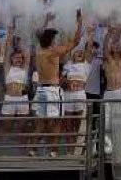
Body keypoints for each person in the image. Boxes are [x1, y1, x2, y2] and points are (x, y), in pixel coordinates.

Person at [30, 11, 83, 157]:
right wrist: (79, 22)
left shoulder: (39, 51)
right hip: (52, 91)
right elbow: (76, 42)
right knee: (57, 121)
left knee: (41, 123)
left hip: (40, 90)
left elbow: (40, 35)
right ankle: (53, 151)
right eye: (54, 37)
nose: (55, 39)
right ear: (51, 39)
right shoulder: (52, 52)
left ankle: (32, 150)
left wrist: (47, 20)